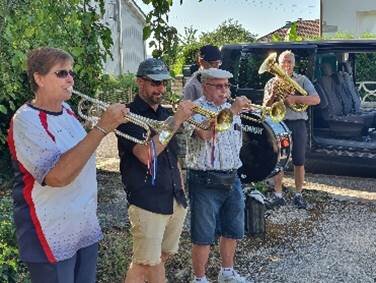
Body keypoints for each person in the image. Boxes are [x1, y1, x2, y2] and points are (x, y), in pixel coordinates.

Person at [7, 47, 128, 283]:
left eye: (71, 72)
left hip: (83, 227)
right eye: (61, 73)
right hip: (49, 233)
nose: (70, 78)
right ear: (38, 78)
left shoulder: (69, 111)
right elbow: (58, 177)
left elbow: (80, 155)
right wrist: (102, 128)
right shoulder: (25, 120)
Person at [116, 58, 196, 283]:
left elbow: (172, 155)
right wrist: (176, 120)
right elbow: (146, 154)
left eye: (163, 83)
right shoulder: (127, 115)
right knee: (143, 263)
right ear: (140, 82)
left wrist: (180, 185)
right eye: (154, 83)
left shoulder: (164, 115)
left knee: (162, 255)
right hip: (147, 199)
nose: (160, 89)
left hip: (173, 196)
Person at [186, 68, 251, 283]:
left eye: (227, 86)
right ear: (205, 87)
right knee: (203, 234)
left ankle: (227, 272)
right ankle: (200, 278)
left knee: (233, 228)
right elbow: (205, 134)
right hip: (205, 179)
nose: (225, 90)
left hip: (232, 176)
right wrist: (232, 111)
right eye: (219, 86)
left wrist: (233, 112)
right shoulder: (195, 109)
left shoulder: (229, 110)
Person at [263, 50, 320, 209]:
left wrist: (295, 98)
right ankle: (278, 194)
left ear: (294, 64)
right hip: (279, 123)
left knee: (299, 160)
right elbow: (265, 108)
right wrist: (273, 95)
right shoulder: (271, 82)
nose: (286, 65)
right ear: (278, 64)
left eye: (289, 62)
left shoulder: (302, 80)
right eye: (283, 62)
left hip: (298, 123)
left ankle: (298, 194)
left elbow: (315, 99)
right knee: (278, 161)